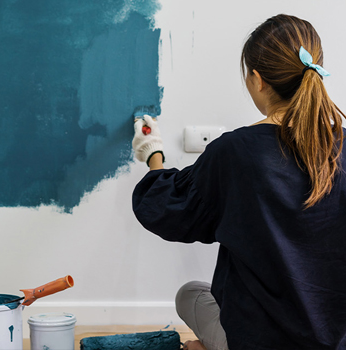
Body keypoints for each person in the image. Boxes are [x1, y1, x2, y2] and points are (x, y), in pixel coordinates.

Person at [132, 14, 346, 350]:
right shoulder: (342, 148)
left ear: (257, 80)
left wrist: (152, 154)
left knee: (190, 295)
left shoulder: (237, 152)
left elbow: (166, 209)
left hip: (258, 341)